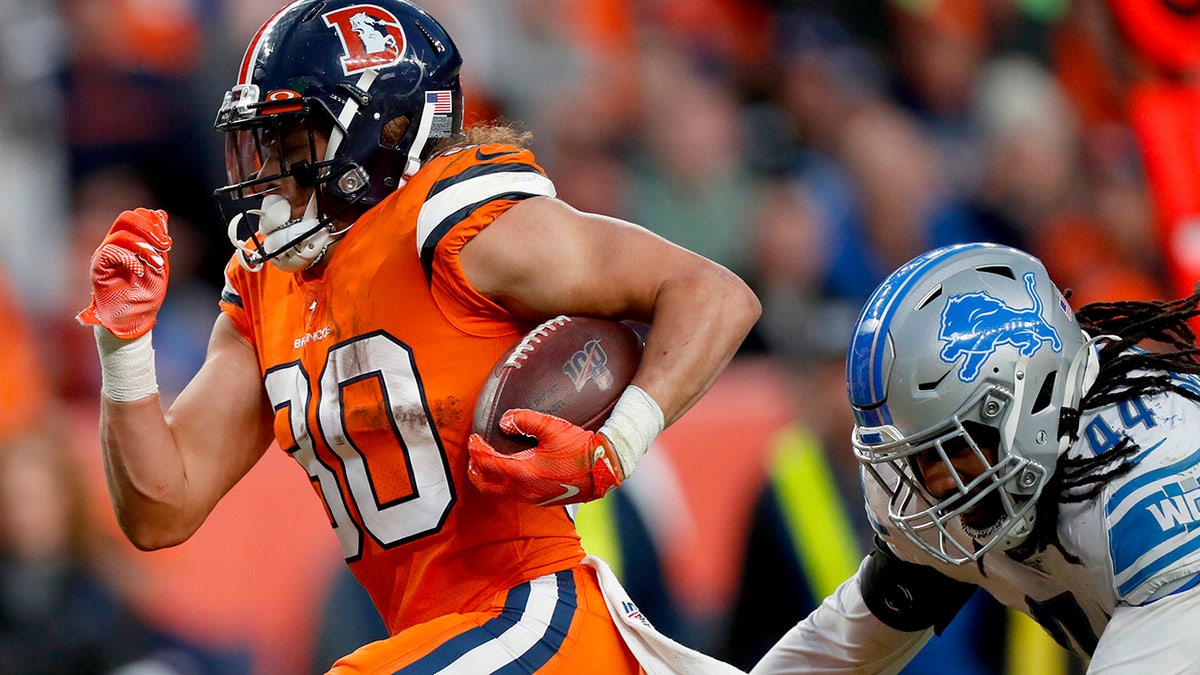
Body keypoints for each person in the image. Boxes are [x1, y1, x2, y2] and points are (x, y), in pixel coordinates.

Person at [75, 1, 760, 674]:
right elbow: (161, 508)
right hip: (440, 641)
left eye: (289, 136)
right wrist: (126, 347)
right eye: (260, 140)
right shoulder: (266, 281)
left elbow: (712, 294)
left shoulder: (454, 222)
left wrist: (618, 440)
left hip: (534, 614)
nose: (266, 166)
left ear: (374, 128)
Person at [752, 241, 1200, 673]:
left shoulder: (1152, 489)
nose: (940, 483)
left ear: (1033, 403)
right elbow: (836, 653)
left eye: (954, 446)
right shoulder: (944, 487)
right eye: (918, 456)